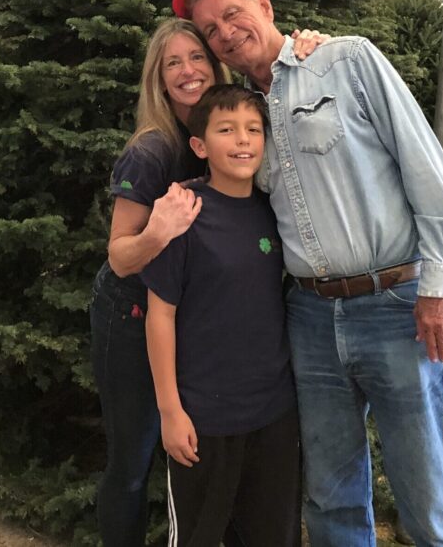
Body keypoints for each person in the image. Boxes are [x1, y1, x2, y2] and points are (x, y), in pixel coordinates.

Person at [172, 0, 443, 547]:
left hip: (397, 304)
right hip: (309, 320)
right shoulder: (243, 114)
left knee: (428, 495)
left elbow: (426, 169)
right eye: (211, 30)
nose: (226, 33)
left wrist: (439, 286)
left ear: (263, 2)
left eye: (234, 14)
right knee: (330, 497)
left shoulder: (345, 61)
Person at [90, 18, 324, 547]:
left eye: (196, 57)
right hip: (132, 312)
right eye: (172, 62)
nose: (187, 70)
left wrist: (307, 47)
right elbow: (122, 256)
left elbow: (276, 86)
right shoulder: (150, 151)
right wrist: (161, 230)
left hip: (223, 349)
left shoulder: (233, 122)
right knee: (133, 455)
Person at [142, 85, 301, 547]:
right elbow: (160, 316)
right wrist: (170, 411)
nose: (243, 141)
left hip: (274, 414)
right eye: (226, 130)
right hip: (204, 420)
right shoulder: (183, 214)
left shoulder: (276, 212)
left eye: (254, 129)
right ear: (200, 145)